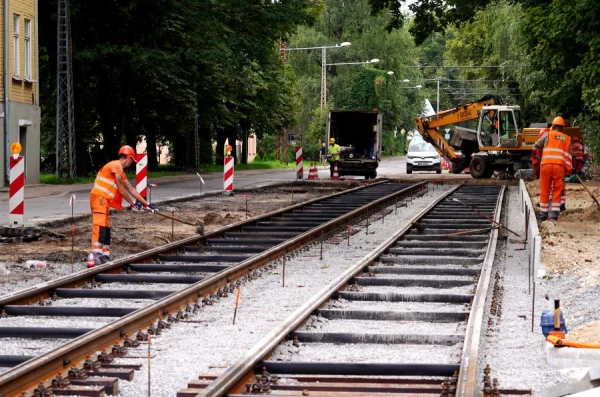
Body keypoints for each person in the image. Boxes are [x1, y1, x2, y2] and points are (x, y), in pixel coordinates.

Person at [89, 145, 157, 266]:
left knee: (105, 228)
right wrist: (132, 204)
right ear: (128, 157)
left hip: (104, 201)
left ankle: (104, 255)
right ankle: (95, 255)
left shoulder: (120, 171)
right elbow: (121, 190)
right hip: (99, 199)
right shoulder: (116, 165)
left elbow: (131, 189)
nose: (131, 163)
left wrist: (146, 204)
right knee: (99, 227)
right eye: (132, 160)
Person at [534, 116, 572, 221]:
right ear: (562, 128)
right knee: (557, 190)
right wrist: (569, 169)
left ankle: (543, 214)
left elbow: (536, 146)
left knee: (545, 189)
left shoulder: (547, 135)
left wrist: (540, 153)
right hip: (559, 167)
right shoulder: (566, 138)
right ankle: (554, 215)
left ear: (553, 125)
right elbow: (569, 155)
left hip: (545, 166)